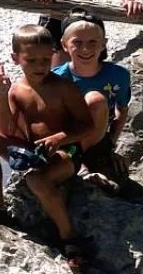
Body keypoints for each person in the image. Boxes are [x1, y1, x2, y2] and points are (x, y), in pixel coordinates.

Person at [0, 24, 104, 274]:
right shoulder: (16, 90)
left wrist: (58, 138)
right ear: (16, 58)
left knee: (36, 180)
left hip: (65, 152)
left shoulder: (64, 88)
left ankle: (69, 238)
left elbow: (86, 126)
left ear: (54, 55)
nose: (39, 66)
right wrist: (2, 94)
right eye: (31, 60)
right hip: (32, 149)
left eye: (46, 59)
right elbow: (5, 129)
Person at [53, 11, 132, 185]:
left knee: (95, 100)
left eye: (93, 42)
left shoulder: (119, 75)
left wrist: (111, 145)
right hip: (67, 138)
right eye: (77, 42)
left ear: (104, 44)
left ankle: (93, 158)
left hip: (98, 135)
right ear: (64, 45)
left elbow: (122, 109)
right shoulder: (56, 78)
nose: (86, 49)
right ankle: (79, 163)